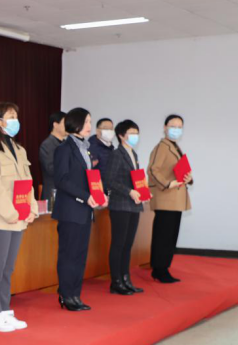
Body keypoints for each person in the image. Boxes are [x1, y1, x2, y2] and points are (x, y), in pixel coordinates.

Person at [0, 102, 38, 332]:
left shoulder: (19, 149)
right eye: (10, 116)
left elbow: (28, 182)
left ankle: (4, 310)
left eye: (16, 116)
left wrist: (31, 208)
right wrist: (10, 213)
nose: (15, 121)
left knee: (8, 268)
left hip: (18, 217)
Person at [52, 107, 106, 312]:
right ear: (75, 123)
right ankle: (66, 295)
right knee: (69, 254)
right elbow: (62, 180)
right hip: (70, 210)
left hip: (85, 211)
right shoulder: (64, 149)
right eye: (86, 122)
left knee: (80, 255)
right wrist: (86, 196)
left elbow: (89, 179)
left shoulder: (86, 148)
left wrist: (100, 194)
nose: (89, 126)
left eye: (90, 122)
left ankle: (75, 294)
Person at [148, 114, 193, 283]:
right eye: (173, 126)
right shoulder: (162, 147)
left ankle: (163, 268)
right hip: (166, 199)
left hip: (175, 200)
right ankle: (159, 270)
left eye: (179, 127)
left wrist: (189, 178)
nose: (176, 130)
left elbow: (177, 170)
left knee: (170, 236)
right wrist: (167, 184)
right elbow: (153, 170)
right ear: (165, 127)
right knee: (163, 236)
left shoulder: (174, 147)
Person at [104, 120, 146, 295]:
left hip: (134, 205)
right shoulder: (116, 154)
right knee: (118, 244)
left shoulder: (133, 154)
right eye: (131, 133)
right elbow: (109, 180)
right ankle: (116, 281)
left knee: (128, 245)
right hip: (120, 205)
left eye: (137, 132)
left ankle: (126, 279)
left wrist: (143, 190)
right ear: (121, 135)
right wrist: (129, 191)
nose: (135, 136)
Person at [39, 111, 67, 202]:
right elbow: (51, 169)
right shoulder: (47, 144)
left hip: (66, 192)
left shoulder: (66, 144)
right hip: (53, 193)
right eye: (65, 123)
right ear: (55, 125)